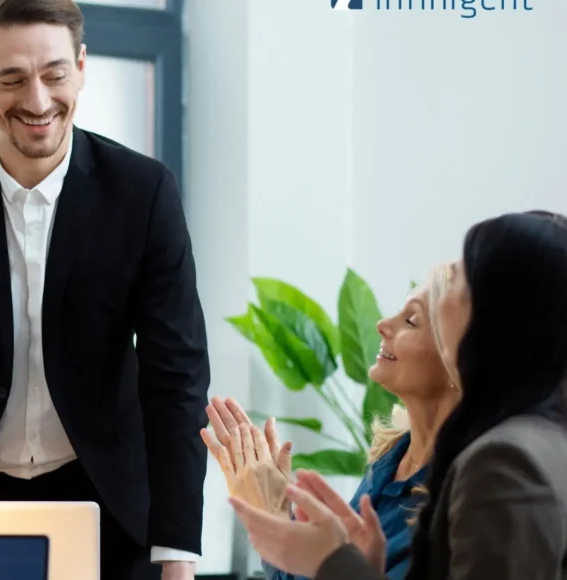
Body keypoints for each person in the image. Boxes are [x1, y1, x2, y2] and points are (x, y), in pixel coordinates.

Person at [0, 1, 209, 578]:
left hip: (110, 504)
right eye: (12, 78)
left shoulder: (143, 193)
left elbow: (175, 378)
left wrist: (176, 551)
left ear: (81, 66)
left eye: (55, 74)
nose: (37, 101)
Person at [229, 210, 567, 580]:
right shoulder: (398, 458)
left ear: (492, 318)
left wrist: (336, 563)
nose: (445, 287)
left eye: (458, 279)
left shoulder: (505, 463)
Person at [202, 265, 460, 580]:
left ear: (458, 360)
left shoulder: (456, 493)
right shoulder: (389, 459)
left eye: (411, 320)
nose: (382, 325)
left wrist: (276, 521)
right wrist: (277, 519)